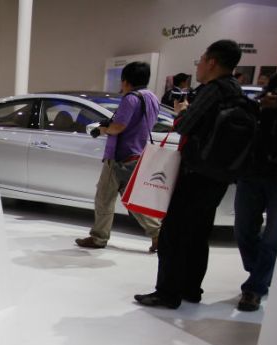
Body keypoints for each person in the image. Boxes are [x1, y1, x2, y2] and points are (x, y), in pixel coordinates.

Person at [135, 40, 246, 309]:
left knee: (173, 233)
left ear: (212, 62)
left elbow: (185, 125)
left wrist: (181, 111)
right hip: (218, 175)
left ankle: (167, 293)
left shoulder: (212, 91)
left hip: (196, 172)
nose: (198, 65)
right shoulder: (235, 90)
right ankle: (191, 289)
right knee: (198, 234)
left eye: (202, 59)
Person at [76, 62, 162, 251]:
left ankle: (98, 238)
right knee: (132, 198)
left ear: (126, 80)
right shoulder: (152, 98)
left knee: (104, 198)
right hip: (138, 153)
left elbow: (118, 127)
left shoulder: (130, 99)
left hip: (119, 157)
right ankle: (158, 235)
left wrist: (104, 128)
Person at [233, 64, 277, 311]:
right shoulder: (266, 101)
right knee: (243, 229)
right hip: (253, 171)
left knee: (273, 237)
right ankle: (261, 272)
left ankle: (255, 288)